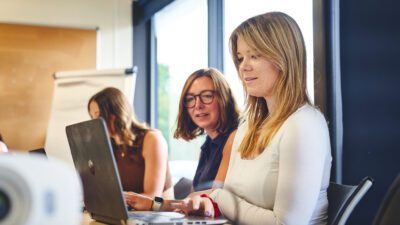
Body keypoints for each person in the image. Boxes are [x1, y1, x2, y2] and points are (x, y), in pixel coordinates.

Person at [177, 11, 333, 224]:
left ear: (283, 57)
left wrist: (218, 197)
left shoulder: (303, 124)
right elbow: (229, 206)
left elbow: (286, 223)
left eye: (255, 55)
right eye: (241, 58)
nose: (243, 66)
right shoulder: (247, 127)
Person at [88, 87, 174, 201]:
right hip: (131, 213)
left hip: (159, 214)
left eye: (98, 116)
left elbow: (152, 196)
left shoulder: (152, 139)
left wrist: (115, 200)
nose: (94, 123)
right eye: (92, 117)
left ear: (116, 113)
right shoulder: (109, 145)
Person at [174, 68, 241, 191]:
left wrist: (157, 205)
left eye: (207, 96)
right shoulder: (208, 144)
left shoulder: (235, 138)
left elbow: (214, 199)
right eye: (190, 99)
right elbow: (194, 198)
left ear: (224, 98)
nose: (198, 105)